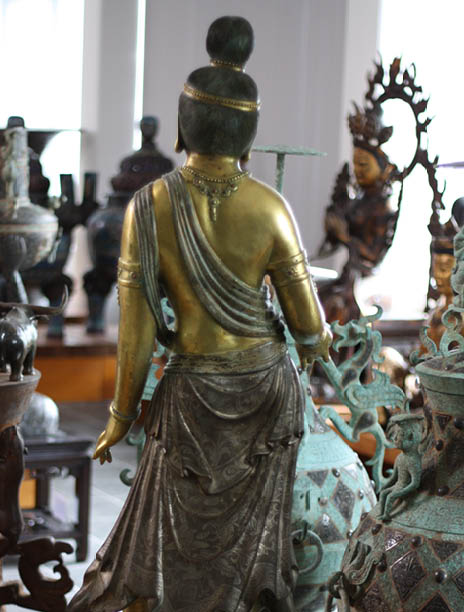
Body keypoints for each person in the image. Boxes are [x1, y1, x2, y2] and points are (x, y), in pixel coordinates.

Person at [68, 16, 331, 612]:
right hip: (264, 393)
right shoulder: (271, 208)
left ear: (184, 124)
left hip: (190, 393)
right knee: (248, 558)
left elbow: (136, 327)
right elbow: (309, 326)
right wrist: (318, 343)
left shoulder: (148, 205)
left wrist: (120, 416)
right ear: (247, 135)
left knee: (161, 542)